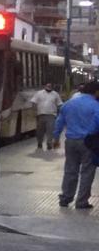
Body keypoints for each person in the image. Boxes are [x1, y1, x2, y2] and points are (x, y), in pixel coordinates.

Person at [52, 80, 99, 209]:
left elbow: (59, 122)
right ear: (96, 92)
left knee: (70, 170)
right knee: (87, 172)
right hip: (88, 142)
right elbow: (97, 123)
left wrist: (56, 138)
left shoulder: (68, 104)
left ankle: (65, 198)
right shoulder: (96, 106)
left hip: (70, 142)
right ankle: (81, 202)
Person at [30, 82, 63, 150]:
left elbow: (59, 104)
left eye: (50, 85)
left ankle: (49, 143)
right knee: (39, 131)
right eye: (48, 85)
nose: (49, 86)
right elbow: (34, 102)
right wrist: (34, 112)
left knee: (50, 130)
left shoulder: (55, 94)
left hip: (51, 115)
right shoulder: (39, 93)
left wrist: (60, 114)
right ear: (45, 86)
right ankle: (39, 143)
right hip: (40, 115)